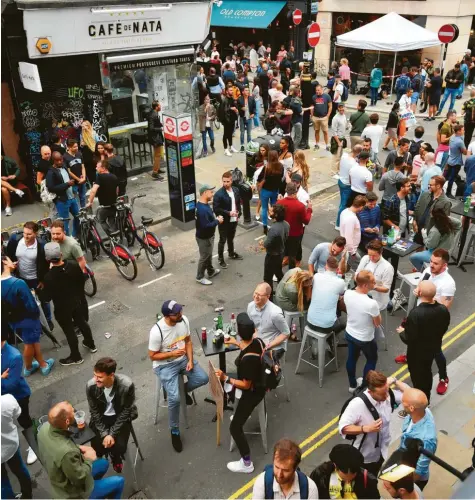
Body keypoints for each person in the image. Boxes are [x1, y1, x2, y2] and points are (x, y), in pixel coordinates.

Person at [148, 300, 209, 452]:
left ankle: (183, 391)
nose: (181, 314)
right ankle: (174, 430)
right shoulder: (157, 331)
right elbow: (152, 356)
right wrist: (171, 354)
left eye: (181, 310)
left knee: (203, 378)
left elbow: (188, 342)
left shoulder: (184, 320)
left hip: (182, 359)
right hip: (165, 365)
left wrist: (190, 360)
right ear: (168, 316)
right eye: (177, 313)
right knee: (174, 398)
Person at [38, 401, 125, 499]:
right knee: (119, 482)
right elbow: (79, 478)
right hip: (73, 493)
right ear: (67, 421)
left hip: (60, 480)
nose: (75, 413)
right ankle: (91, 494)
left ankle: (97, 493)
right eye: (72, 412)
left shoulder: (43, 429)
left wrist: (76, 448)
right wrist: (89, 458)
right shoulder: (67, 453)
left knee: (104, 463)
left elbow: (57, 445)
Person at [214, 313, 266, 473]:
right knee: (232, 390)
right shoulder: (258, 341)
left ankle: (247, 463)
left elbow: (245, 384)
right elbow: (247, 346)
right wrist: (236, 343)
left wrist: (225, 378)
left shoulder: (247, 361)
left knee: (234, 427)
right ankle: (240, 412)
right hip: (260, 382)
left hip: (253, 392)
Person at [339, 370, 407, 476]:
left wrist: (395, 380)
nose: (386, 396)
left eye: (387, 391)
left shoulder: (388, 394)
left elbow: (413, 396)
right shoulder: (357, 404)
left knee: (374, 477)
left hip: (381, 451)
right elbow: (343, 428)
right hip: (364, 457)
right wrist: (365, 428)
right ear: (370, 392)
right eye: (382, 394)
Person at [41, 242, 97, 366]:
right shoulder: (73, 265)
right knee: (82, 322)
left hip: (62, 308)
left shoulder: (49, 277)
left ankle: (76, 357)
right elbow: (82, 280)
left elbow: (46, 297)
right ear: (61, 254)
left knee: (69, 331)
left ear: (47, 259)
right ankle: (90, 343)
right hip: (76, 301)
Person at [398, 281, 450, 407]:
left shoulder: (416, 313)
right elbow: (444, 327)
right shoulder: (443, 309)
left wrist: (402, 331)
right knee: (427, 373)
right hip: (432, 348)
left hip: (417, 353)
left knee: (418, 377)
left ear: (420, 293)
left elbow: (409, 338)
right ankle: (426, 399)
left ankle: (420, 403)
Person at [2, 255, 55, 377]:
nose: (13, 262)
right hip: (28, 318)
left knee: (32, 340)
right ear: (4, 262)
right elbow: (31, 305)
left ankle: (42, 363)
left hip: (12, 320)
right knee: (29, 344)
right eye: (10, 260)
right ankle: (28, 367)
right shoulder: (18, 283)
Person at [87, 357, 137, 473]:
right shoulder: (90, 386)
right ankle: (110, 453)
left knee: (119, 447)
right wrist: (105, 434)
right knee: (97, 447)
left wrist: (112, 434)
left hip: (119, 417)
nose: (96, 380)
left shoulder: (127, 385)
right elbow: (94, 412)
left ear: (111, 375)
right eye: (95, 375)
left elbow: (126, 411)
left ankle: (115, 456)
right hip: (101, 418)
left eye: (100, 377)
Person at [1, 326, 38, 466]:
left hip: (18, 396)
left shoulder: (14, 356)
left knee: (24, 420)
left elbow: (11, 384)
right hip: (4, 396)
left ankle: (33, 444)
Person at [7, 221, 53, 330]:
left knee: (43, 300)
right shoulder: (15, 240)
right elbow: (8, 254)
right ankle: (34, 321)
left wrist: (43, 280)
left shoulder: (42, 245)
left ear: (35, 233)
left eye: (29, 234)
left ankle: (48, 320)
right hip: (21, 278)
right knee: (25, 301)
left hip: (36, 279)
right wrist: (12, 264)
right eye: (24, 233)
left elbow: (46, 265)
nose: (26, 236)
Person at [343, 270, 382, 391]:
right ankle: (365, 386)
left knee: (352, 358)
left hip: (350, 332)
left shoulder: (348, 293)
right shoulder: (371, 303)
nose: (375, 284)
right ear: (365, 285)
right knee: (371, 359)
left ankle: (352, 385)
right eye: (373, 282)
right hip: (365, 338)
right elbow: (377, 323)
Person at [397, 387, 438, 490]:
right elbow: (410, 392)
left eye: (403, 402)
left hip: (413, 477)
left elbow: (419, 472)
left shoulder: (427, 439)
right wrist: (394, 381)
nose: (402, 403)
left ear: (411, 408)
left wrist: (402, 488)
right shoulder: (422, 410)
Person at [355, 240, 394, 347]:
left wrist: (373, 287)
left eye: (374, 256)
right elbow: (357, 273)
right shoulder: (365, 259)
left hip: (377, 298)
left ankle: (368, 338)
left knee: (364, 313)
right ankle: (357, 333)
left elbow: (386, 289)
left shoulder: (387, 267)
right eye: (369, 255)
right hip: (363, 292)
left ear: (381, 252)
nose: (371, 258)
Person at [252, 438, 318, 499]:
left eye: (285, 470)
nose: (279, 474)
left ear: (295, 468)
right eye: (277, 467)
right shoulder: (262, 483)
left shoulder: (310, 489)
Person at [310, 444, 380, 499]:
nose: (348, 480)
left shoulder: (369, 481)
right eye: (344, 477)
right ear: (335, 465)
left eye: (353, 474)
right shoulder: (320, 475)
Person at [1, 394, 33, 499]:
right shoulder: (7, 401)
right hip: (10, 446)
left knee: (2, 482)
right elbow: (17, 414)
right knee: (20, 470)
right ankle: (27, 496)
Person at [307, 256, 346, 336]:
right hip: (326, 326)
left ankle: (328, 338)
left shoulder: (316, 276)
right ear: (337, 268)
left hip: (310, 321)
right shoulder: (340, 282)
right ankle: (331, 338)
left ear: (325, 266)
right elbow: (341, 293)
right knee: (344, 322)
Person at [247, 282, 290, 354]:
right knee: (241, 360)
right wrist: (255, 335)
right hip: (259, 341)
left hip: (274, 346)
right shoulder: (250, 307)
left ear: (268, 296)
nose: (256, 296)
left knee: (260, 362)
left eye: (260, 295)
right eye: (255, 293)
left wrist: (267, 346)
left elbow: (286, 333)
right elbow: (252, 325)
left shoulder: (275, 313)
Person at [277, 183, 312, 269]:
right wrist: (309, 209)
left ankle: (284, 261)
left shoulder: (280, 202)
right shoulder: (300, 206)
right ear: (296, 192)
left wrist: (279, 201)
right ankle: (291, 272)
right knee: (293, 254)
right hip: (295, 234)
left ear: (286, 191)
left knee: (283, 249)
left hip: (283, 232)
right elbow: (306, 221)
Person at [213, 171, 243, 268]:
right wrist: (228, 213)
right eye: (224, 181)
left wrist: (239, 213)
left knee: (231, 238)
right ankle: (220, 259)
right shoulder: (218, 194)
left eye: (227, 181)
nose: (225, 183)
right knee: (222, 240)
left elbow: (238, 203)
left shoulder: (236, 190)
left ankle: (231, 253)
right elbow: (216, 209)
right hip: (224, 221)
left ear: (231, 180)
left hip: (234, 219)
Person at [46, 151, 79, 236]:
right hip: (62, 201)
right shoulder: (51, 172)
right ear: (53, 161)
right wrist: (67, 184)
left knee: (78, 217)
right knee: (64, 223)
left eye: (61, 160)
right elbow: (51, 188)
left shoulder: (64, 167)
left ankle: (74, 236)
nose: (60, 162)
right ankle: (66, 239)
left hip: (72, 198)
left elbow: (68, 177)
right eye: (57, 160)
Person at [195, 184, 223, 285]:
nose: (213, 194)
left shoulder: (202, 205)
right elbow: (205, 226)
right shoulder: (202, 210)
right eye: (211, 192)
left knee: (208, 255)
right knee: (205, 257)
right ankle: (199, 277)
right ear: (205, 193)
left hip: (206, 236)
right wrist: (217, 221)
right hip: (204, 238)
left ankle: (210, 271)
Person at [413, 175, 451, 243]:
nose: (429, 186)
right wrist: (414, 221)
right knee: (416, 248)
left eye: (431, 185)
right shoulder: (425, 194)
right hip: (419, 228)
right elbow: (417, 207)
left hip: (431, 234)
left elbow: (444, 222)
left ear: (438, 186)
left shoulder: (446, 202)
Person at [86, 160, 119, 235]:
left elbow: (93, 190)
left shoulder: (100, 177)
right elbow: (117, 190)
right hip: (113, 204)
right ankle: (115, 237)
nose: (96, 168)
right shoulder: (114, 177)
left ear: (103, 168)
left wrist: (90, 202)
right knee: (112, 220)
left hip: (104, 206)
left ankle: (110, 235)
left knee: (101, 220)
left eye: (97, 167)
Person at [262, 204, 289, 290]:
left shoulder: (273, 229)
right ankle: (283, 289)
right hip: (281, 252)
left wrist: (262, 243)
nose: (269, 212)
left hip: (272, 256)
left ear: (276, 215)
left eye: (271, 211)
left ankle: (269, 298)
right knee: (278, 272)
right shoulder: (286, 224)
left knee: (267, 278)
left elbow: (266, 244)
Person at [257, 151, 284, 232]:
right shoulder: (280, 166)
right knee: (274, 208)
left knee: (264, 208)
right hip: (275, 190)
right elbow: (281, 177)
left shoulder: (267, 167)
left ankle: (265, 227)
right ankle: (275, 224)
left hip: (265, 190)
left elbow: (259, 178)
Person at [336, 145, 362, 229]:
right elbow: (352, 177)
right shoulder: (354, 164)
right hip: (347, 185)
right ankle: (338, 224)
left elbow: (338, 163)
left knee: (342, 203)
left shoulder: (344, 156)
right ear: (358, 153)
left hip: (340, 181)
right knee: (344, 205)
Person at [340, 195, 367, 265]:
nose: (363, 209)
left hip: (348, 248)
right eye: (364, 207)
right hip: (350, 250)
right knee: (356, 266)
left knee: (346, 266)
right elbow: (348, 237)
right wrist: (353, 253)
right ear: (361, 206)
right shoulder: (351, 218)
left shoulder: (345, 211)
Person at [64, 138, 87, 209]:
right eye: (74, 147)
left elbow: (83, 167)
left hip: (82, 180)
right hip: (74, 182)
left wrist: (84, 177)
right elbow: (69, 171)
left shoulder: (79, 154)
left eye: (77, 146)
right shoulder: (65, 157)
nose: (76, 148)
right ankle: (78, 213)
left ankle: (84, 211)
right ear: (69, 147)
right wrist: (78, 179)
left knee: (83, 197)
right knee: (75, 199)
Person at [446, 124, 467, 197]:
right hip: (456, 162)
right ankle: (448, 192)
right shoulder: (459, 141)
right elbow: (464, 152)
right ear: (458, 131)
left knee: (450, 176)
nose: (464, 131)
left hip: (450, 160)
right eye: (462, 130)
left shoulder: (452, 137)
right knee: (452, 178)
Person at [220, 86, 239, 157]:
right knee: (225, 134)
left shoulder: (232, 99)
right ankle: (225, 149)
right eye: (230, 90)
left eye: (232, 90)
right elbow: (223, 110)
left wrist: (236, 109)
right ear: (227, 91)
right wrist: (231, 108)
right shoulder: (224, 99)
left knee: (230, 134)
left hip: (232, 119)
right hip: (226, 120)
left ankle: (231, 146)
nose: (232, 91)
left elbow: (235, 107)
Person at [148, 100, 165, 180]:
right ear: (156, 107)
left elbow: (155, 124)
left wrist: (161, 124)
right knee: (157, 155)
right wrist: (160, 129)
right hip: (156, 138)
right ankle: (155, 172)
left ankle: (157, 169)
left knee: (157, 155)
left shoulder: (154, 113)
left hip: (156, 137)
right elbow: (151, 128)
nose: (160, 107)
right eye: (159, 105)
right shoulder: (153, 114)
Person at [312, 85, 332, 151]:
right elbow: (312, 107)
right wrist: (312, 115)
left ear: (321, 90)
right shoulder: (314, 97)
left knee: (325, 132)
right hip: (315, 117)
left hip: (324, 117)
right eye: (316, 90)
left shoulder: (327, 96)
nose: (317, 92)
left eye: (318, 90)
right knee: (316, 131)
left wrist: (328, 115)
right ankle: (317, 144)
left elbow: (330, 106)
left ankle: (327, 145)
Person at [80, 120, 99, 185]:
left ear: (88, 126)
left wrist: (88, 132)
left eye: (85, 125)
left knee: (96, 169)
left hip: (93, 153)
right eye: (82, 126)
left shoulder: (93, 133)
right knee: (89, 171)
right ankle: (92, 184)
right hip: (86, 154)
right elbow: (81, 146)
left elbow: (98, 142)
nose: (83, 127)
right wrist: (82, 145)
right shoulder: (82, 134)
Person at [331, 103, 348, 173]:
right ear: (338, 109)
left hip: (342, 138)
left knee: (340, 156)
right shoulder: (335, 118)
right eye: (340, 108)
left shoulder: (344, 116)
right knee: (336, 157)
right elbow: (334, 132)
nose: (341, 109)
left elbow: (344, 127)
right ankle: (333, 172)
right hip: (337, 139)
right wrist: (338, 142)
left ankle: (338, 170)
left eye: (343, 108)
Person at [237, 87, 256, 151]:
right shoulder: (239, 99)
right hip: (242, 117)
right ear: (242, 92)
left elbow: (254, 107)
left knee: (249, 133)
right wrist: (241, 108)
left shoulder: (251, 98)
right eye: (246, 90)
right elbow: (238, 107)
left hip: (249, 118)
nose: (247, 91)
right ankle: (242, 145)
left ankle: (249, 145)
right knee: (242, 132)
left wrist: (253, 113)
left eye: (248, 90)